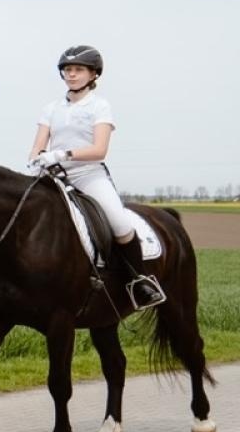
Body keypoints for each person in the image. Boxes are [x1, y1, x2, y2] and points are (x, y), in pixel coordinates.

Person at [28, 44, 164, 310]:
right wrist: (37, 159)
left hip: (88, 175)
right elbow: (38, 144)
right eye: (67, 70)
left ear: (93, 74)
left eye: (78, 70)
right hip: (53, 176)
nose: (72, 75)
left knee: (120, 222)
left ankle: (139, 281)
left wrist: (62, 154)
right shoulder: (51, 108)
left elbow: (99, 150)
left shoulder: (99, 106)